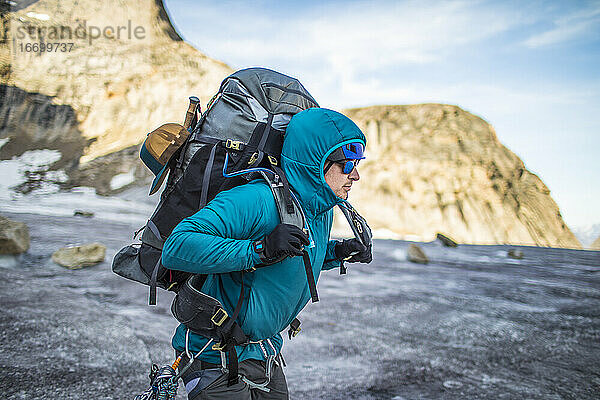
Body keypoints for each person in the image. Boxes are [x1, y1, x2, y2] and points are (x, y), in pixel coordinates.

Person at [161, 108, 373, 399]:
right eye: (347, 164)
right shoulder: (257, 199)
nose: (356, 175)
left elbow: (292, 253)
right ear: (317, 162)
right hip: (216, 357)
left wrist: (339, 252)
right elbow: (178, 246)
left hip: (266, 353)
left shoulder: (320, 209)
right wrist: (258, 248)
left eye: (357, 163)